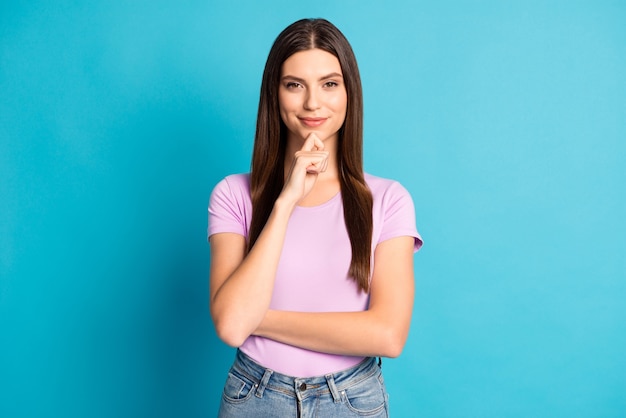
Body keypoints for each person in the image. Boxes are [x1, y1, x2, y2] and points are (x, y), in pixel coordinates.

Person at [207, 18, 422, 417]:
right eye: (294, 85)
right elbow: (232, 327)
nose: (312, 103)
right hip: (254, 396)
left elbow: (388, 335)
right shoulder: (233, 194)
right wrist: (286, 201)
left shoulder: (389, 200)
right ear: (275, 93)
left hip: (351, 401)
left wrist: (259, 318)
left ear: (348, 93)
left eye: (329, 84)